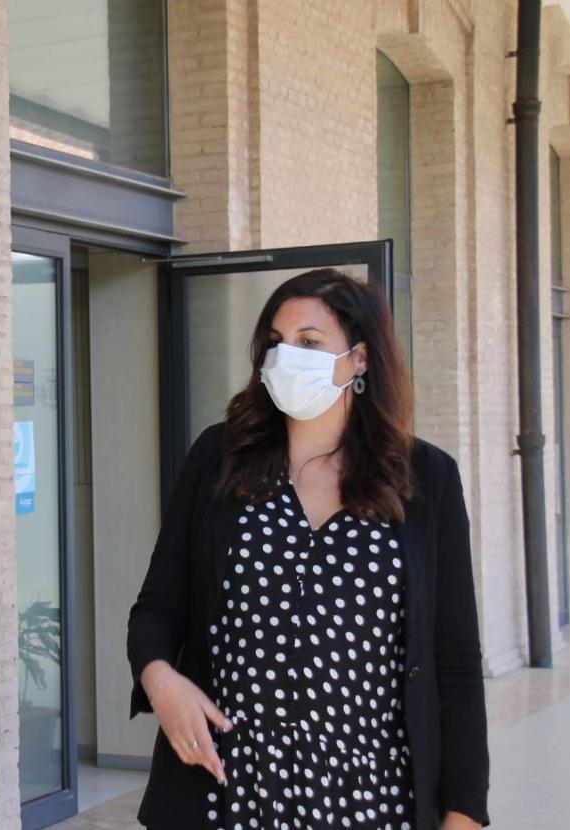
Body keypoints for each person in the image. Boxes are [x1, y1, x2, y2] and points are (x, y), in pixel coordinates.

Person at [127, 269, 489, 829]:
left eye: (310, 343)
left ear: (361, 360)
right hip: (229, 790)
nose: (286, 357)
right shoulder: (218, 458)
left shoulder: (426, 479)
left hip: (372, 797)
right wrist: (161, 681)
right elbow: (158, 606)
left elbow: (456, 662)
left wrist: (463, 813)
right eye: (275, 342)